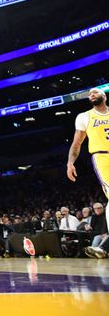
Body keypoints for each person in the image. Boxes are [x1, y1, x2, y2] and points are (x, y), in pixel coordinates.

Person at [67, 88, 109, 243]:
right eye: (90, 94)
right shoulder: (84, 117)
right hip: (102, 157)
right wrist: (70, 163)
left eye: (95, 92)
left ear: (104, 96)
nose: (91, 95)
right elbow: (76, 143)